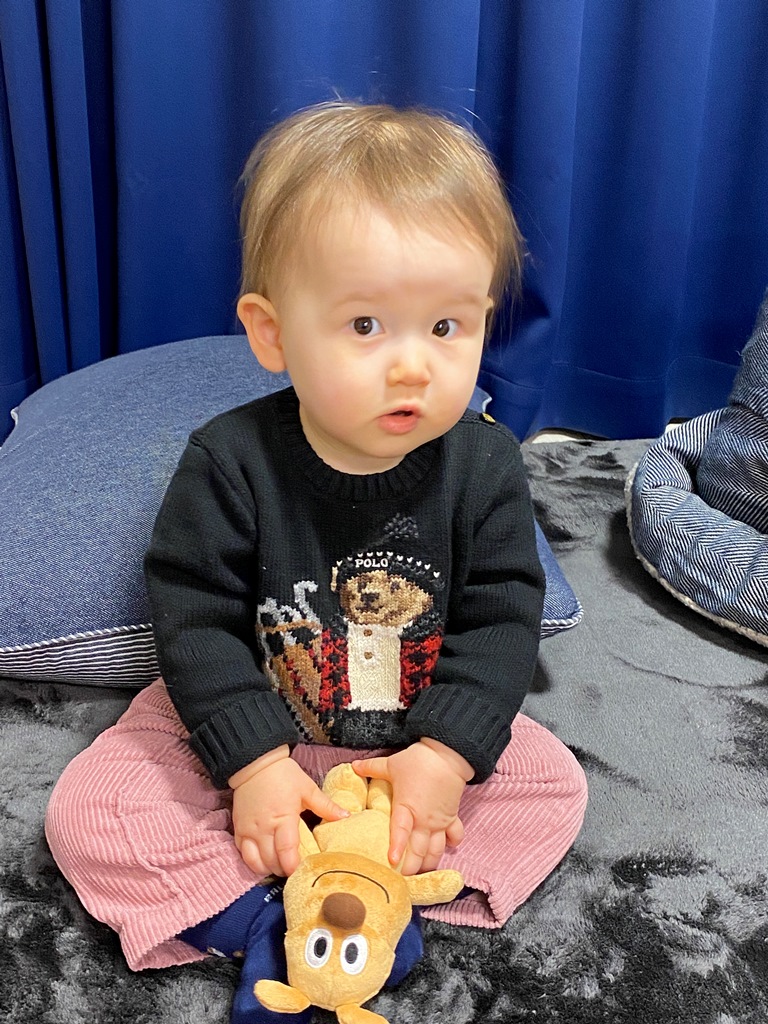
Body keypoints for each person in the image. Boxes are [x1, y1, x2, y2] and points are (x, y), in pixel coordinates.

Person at [46, 101, 587, 1024]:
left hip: (411, 741)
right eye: (366, 325)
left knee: (554, 785)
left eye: (446, 327)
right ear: (272, 334)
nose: (413, 366)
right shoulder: (229, 460)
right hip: (266, 721)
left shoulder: (487, 461)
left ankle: (370, 893)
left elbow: (503, 618)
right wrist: (253, 763)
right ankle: (273, 916)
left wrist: (446, 756)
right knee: (89, 807)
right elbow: (193, 617)